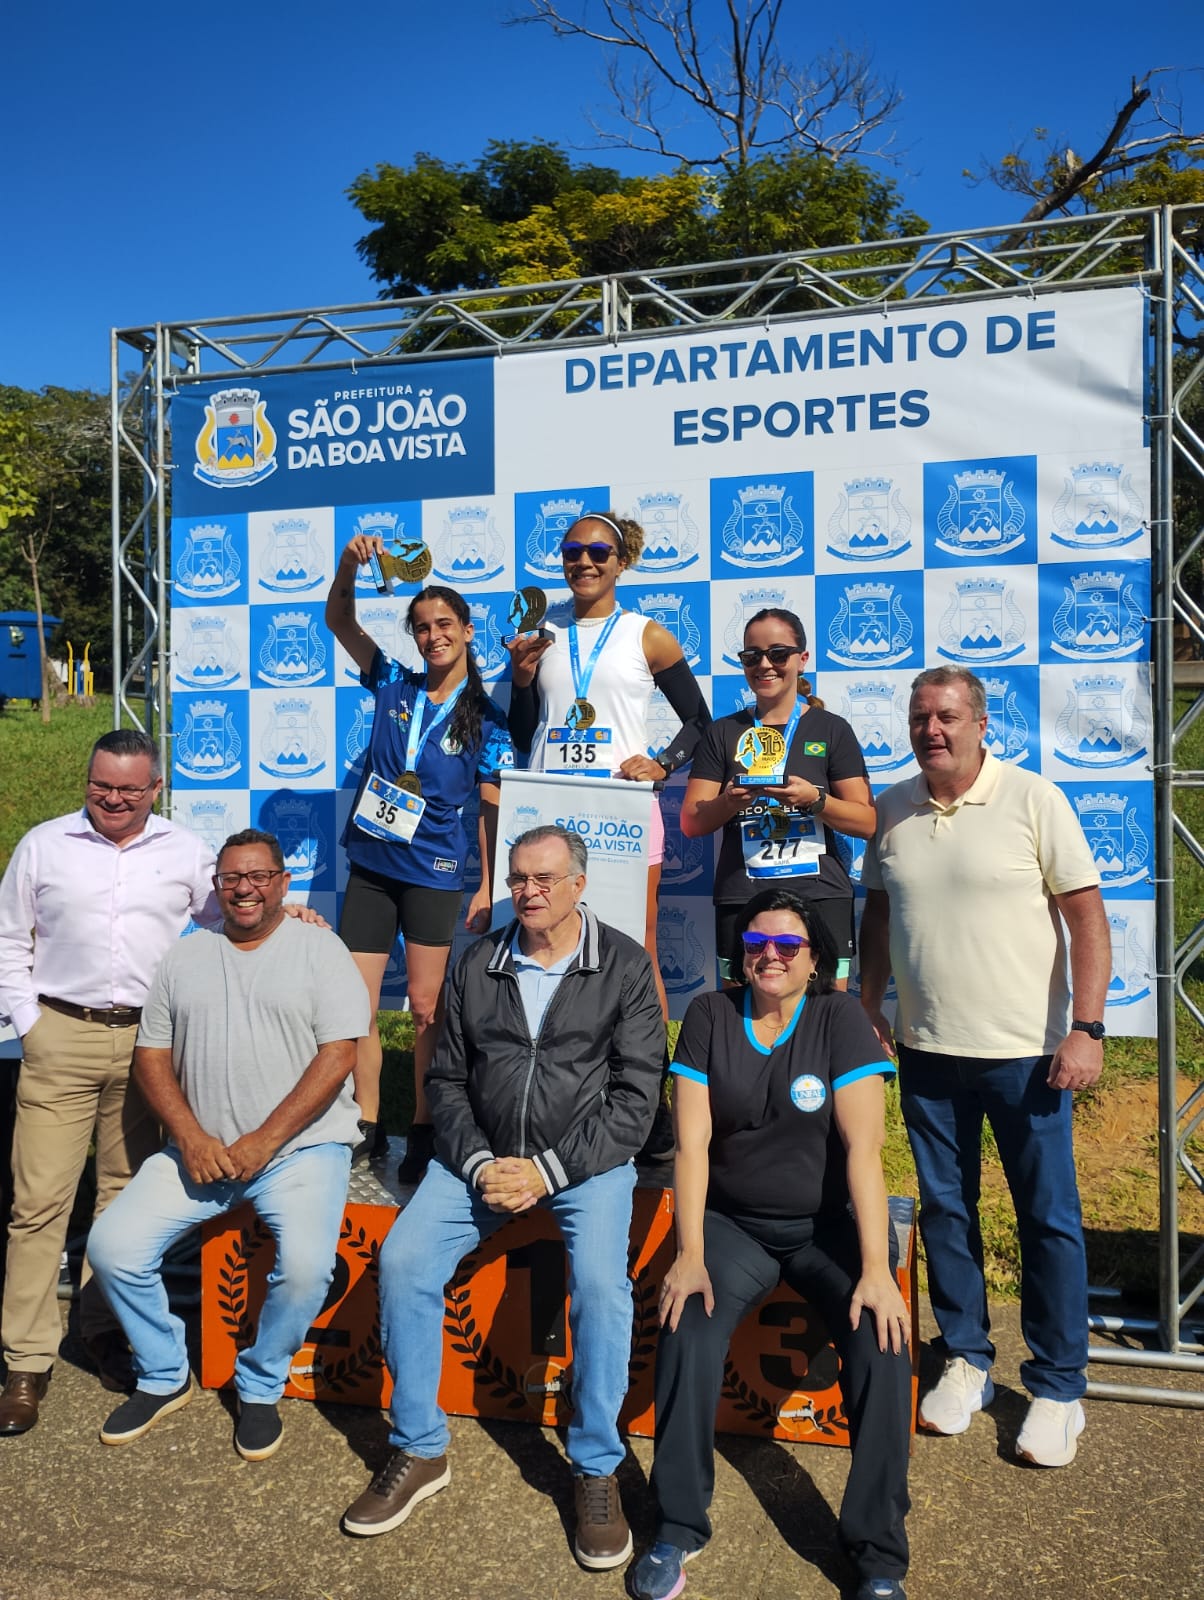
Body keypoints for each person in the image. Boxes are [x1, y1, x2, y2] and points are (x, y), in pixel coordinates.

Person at [340, 824, 664, 1572]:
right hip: (480, 1160)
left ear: (579, 885)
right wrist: (482, 1161)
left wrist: (547, 1172)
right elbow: (447, 1080)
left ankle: (595, 1466)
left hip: (585, 1165)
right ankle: (419, 1447)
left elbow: (636, 1099)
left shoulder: (624, 965)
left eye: (545, 879)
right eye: (518, 878)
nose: (528, 891)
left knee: (602, 1290)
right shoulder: (477, 960)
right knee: (405, 1262)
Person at [858, 665, 1110, 1469]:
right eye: (919, 717)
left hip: (1028, 1055)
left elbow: (1088, 919)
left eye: (947, 716)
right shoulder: (892, 809)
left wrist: (1087, 1028)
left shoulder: (1034, 799)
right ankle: (967, 1359)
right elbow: (878, 912)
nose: (932, 730)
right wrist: (869, 1003)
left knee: (1047, 1219)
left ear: (980, 723)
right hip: (928, 1051)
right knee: (946, 1211)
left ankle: (1059, 1387)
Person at [632, 888, 911, 1600]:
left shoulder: (839, 1018)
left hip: (828, 1226)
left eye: (788, 945)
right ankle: (677, 1527)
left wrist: (876, 1269)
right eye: (757, 944)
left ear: (817, 960)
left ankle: (878, 1554)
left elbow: (864, 1153)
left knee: (884, 1341)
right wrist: (690, 1255)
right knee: (686, 1324)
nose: (770, 957)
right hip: (734, 1227)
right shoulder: (708, 1014)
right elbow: (691, 1148)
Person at [87, 829, 369, 1460]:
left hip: (299, 1151)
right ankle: (164, 1372)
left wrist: (266, 1141)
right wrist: (189, 1137)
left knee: (306, 1269)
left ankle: (260, 1383)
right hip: (203, 1152)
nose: (245, 889)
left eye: (259, 877)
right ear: (215, 886)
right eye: (231, 878)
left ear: (283, 882)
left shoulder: (321, 948)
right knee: (111, 1247)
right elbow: (151, 1056)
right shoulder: (184, 956)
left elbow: (339, 1056)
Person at [0, 730, 217, 1433]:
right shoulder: (44, 845)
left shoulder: (185, 851)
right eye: (101, 786)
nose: (113, 800)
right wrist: (31, 1023)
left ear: (156, 788)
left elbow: (232, 920)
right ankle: (25, 1360)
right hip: (59, 1034)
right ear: (87, 779)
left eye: (128, 789)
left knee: (123, 1202)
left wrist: (290, 915)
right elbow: (7, 939)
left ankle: (101, 1333)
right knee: (38, 1204)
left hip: (149, 1045)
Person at [326, 540, 514, 1182]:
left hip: (434, 870)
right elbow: (340, 621)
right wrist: (349, 565)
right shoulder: (391, 682)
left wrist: (487, 882)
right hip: (372, 865)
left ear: (467, 631)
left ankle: (425, 1126)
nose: (434, 636)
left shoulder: (488, 718)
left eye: (444, 624)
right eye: (423, 627)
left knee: (427, 1005)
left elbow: (489, 805)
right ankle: (367, 1122)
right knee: (356, 1005)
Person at [506, 511, 711, 1022]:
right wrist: (522, 681)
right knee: (546, 941)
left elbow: (699, 722)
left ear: (621, 563)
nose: (584, 562)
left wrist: (663, 764)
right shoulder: (540, 632)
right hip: (550, 810)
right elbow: (522, 735)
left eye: (599, 552)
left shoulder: (647, 635)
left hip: (619, 812)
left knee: (636, 944)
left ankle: (650, 1067)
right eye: (572, 552)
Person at [681, 608, 875, 988]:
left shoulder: (832, 730)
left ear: (802, 659)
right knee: (740, 1015)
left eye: (778, 654)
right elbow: (691, 821)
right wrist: (729, 802)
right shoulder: (723, 732)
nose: (765, 665)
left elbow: (867, 822)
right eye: (752, 656)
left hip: (820, 894)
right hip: (743, 896)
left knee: (826, 1013)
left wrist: (815, 800)